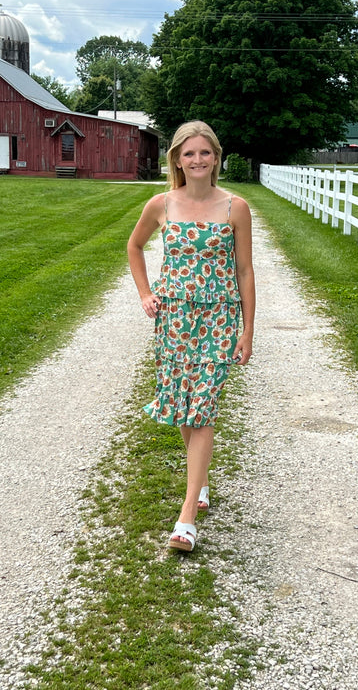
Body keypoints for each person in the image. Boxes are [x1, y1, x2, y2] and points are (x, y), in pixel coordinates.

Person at [127, 121, 255, 552]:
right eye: (189, 154)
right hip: (175, 318)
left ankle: (186, 519)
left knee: (202, 408)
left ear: (216, 157)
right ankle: (199, 481)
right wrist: (146, 293)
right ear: (177, 160)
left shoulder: (235, 207)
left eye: (204, 153)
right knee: (183, 402)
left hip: (219, 319)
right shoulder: (162, 203)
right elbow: (134, 246)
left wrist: (247, 330)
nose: (197, 160)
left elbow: (244, 271)